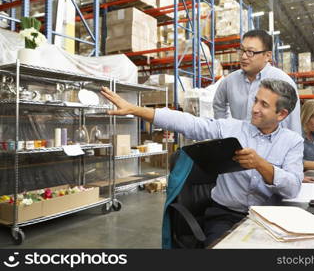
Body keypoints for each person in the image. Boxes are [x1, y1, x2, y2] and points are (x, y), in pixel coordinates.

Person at [100, 79, 303, 247]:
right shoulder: (231, 129)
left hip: (268, 220)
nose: (255, 109)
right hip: (225, 216)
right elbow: (189, 123)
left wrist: (260, 164)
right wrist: (135, 109)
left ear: (281, 114)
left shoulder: (292, 142)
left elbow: (293, 188)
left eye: (264, 105)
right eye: (256, 101)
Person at [213, 29, 301, 135]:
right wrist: (225, 129)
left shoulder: (284, 82)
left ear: (267, 56)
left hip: (269, 148)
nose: (244, 56)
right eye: (241, 51)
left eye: (250, 52)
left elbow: (292, 127)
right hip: (239, 145)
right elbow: (218, 104)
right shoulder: (229, 81)